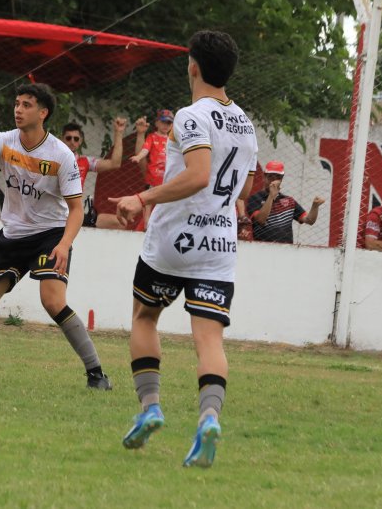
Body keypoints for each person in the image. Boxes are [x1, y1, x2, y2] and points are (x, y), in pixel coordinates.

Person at [110, 30, 258, 468]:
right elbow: (246, 186)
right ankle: (209, 419)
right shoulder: (246, 123)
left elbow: (197, 176)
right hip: (218, 244)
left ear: (192, 66)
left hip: (175, 239)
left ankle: (151, 407)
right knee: (209, 338)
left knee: (144, 315)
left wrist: (142, 198)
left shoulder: (190, 116)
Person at [0, 83, 116, 390]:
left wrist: (64, 244)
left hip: (50, 235)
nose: (18, 109)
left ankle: (97, 375)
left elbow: (76, 209)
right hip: (12, 236)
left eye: (26, 105)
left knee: (52, 301)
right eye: (17, 103)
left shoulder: (62, 155)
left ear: (43, 113)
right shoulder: (4, 141)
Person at [61, 120, 126, 228]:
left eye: (76, 139)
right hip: (54, 215)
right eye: (68, 138)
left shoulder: (85, 162)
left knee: (119, 222)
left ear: (80, 141)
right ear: (62, 139)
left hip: (75, 215)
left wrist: (118, 133)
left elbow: (115, 163)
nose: (72, 141)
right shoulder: (53, 160)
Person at [246, 160, 325, 243]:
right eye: (270, 177)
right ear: (264, 177)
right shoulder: (254, 198)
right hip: (262, 248)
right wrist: (271, 196)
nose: (274, 181)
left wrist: (315, 206)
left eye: (277, 177)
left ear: (282, 179)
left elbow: (309, 220)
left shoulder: (289, 200)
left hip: (287, 250)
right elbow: (261, 220)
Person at [130, 109, 174, 230]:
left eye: (169, 123)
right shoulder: (152, 137)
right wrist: (138, 157)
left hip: (166, 180)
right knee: (148, 204)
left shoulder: (173, 141)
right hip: (153, 178)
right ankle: (146, 225)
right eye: (163, 122)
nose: (166, 125)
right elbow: (145, 149)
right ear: (156, 123)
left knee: (163, 206)